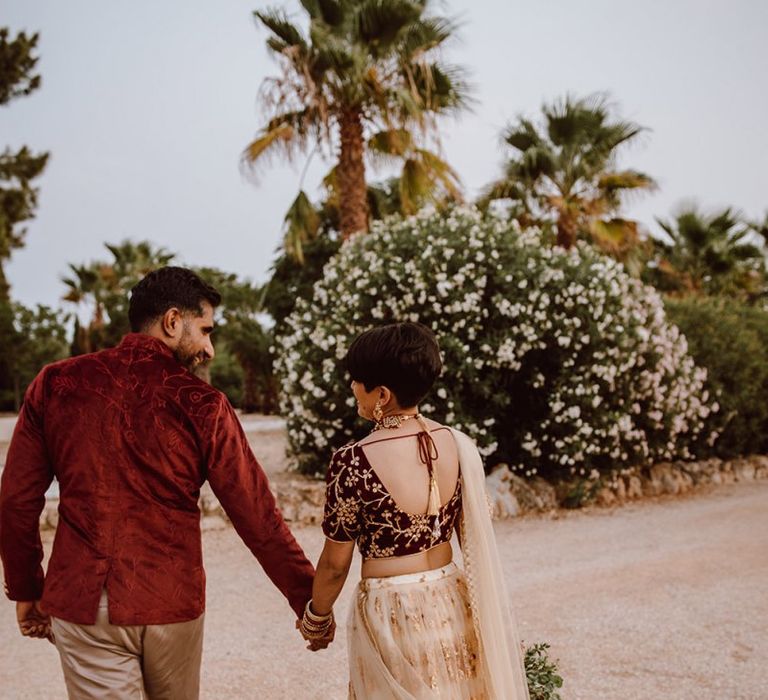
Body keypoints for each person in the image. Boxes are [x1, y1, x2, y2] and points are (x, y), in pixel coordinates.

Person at [0, 266, 322, 699]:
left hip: (83, 602)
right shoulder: (205, 405)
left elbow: (17, 501)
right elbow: (258, 517)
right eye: (205, 330)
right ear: (172, 322)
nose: (208, 348)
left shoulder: (56, 385)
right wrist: (308, 601)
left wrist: (26, 587)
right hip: (170, 600)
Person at [297, 321, 530, 699]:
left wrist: (317, 618)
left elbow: (336, 563)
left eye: (358, 380)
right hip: (452, 602)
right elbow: (473, 527)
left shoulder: (352, 460)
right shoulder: (457, 444)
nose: (352, 387)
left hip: (392, 614)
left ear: (382, 394)